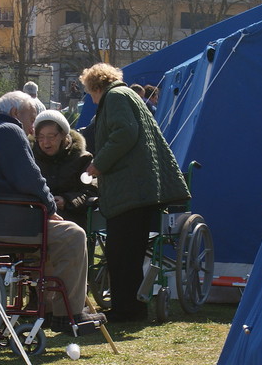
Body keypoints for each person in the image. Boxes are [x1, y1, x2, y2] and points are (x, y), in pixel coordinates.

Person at [0, 91, 105, 334]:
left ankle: (49, 308)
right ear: (16, 113)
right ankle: (69, 313)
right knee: (73, 234)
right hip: (3, 223)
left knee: (54, 239)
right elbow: (31, 179)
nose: (32, 125)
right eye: (32, 116)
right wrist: (50, 208)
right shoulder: (9, 131)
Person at [80, 63, 189, 323]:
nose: (93, 100)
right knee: (127, 253)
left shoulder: (115, 97)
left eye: (90, 93)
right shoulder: (128, 94)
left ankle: (126, 310)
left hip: (130, 190)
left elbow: (124, 133)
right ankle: (130, 307)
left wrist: (99, 163)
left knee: (122, 253)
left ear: (96, 87)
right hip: (141, 187)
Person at [31, 110, 95, 231]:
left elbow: (91, 191)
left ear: (63, 135)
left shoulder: (82, 158)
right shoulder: (30, 157)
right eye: (40, 137)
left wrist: (67, 200)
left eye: (51, 137)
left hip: (70, 221)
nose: (45, 142)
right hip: (36, 219)